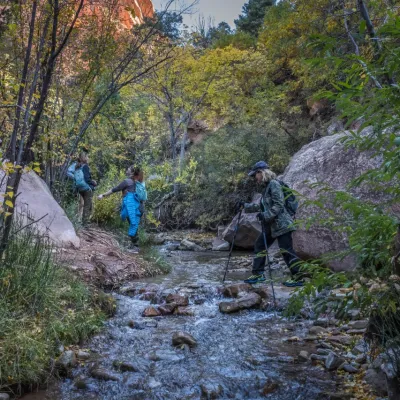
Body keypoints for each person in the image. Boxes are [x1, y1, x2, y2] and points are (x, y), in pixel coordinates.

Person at [241, 161, 303, 287]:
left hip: (282, 224)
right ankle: (258, 274)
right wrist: (245, 206)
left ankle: (298, 278)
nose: (254, 178)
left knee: (286, 250)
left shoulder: (274, 184)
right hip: (271, 225)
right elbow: (262, 205)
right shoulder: (267, 187)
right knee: (259, 245)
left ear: (261, 172)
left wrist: (266, 215)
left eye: (255, 175)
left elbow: (279, 204)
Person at [98, 167, 147, 252]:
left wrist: (103, 195)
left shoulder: (127, 182)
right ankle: (135, 245)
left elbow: (114, 189)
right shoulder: (140, 182)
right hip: (140, 207)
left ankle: (135, 247)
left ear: (132, 172)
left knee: (132, 224)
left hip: (132, 207)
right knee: (134, 224)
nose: (126, 170)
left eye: (128, 169)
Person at [74, 152, 97, 226]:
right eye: (87, 157)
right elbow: (87, 179)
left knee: (86, 205)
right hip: (87, 188)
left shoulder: (77, 166)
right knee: (88, 206)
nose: (88, 158)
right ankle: (85, 223)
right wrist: (93, 183)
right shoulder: (85, 166)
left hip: (80, 188)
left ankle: (84, 221)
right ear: (84, 158)